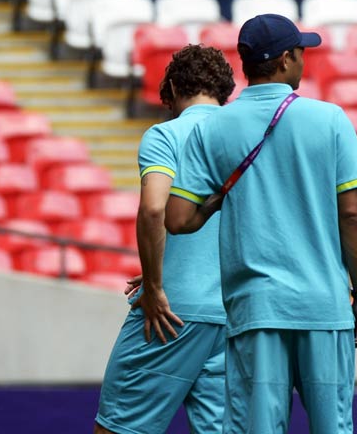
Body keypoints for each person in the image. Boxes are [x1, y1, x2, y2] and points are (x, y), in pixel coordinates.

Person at [164, 13, 357, 434]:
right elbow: (351, 215)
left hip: (256, 309)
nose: (303, 60)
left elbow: (178, 219)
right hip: (322, 306)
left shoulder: (214, 127)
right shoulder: (330, 119)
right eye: (300, 53)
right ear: (284, 60)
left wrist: (222, 199)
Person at [95, 44, 236, 434]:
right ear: (224, 90)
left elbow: (155, 209)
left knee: (118, 429)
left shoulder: (165, 135)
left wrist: (156, 284)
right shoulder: (246, 140)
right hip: (230, 316)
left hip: (171, 313)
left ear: (172, 88)